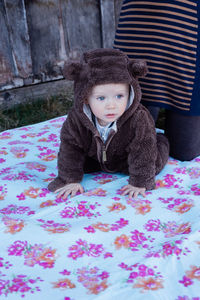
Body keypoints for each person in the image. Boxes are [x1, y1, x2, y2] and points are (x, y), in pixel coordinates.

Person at [48, 48, 169, 199]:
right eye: (101, 98)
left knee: (152, 163)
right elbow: (70, 147)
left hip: (126, 160)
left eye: (119, 96)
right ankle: (94, 166)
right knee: (80, 164)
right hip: (96, 157)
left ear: (130, 93)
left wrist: (139, 182)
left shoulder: (138, 118)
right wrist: (69, 179)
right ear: (85, 98)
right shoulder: (77, 119)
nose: (111, 105)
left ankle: (162, 141)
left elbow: (142, 149)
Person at [114, 0, 200, 161]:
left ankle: (156, 147)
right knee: (126, 150)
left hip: (186, 34)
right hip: (137, 31)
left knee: (185, 154)